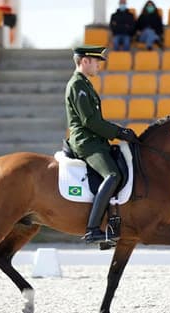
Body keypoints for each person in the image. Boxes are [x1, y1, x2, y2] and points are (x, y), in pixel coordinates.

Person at [65, 46, 139, 245]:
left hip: (96, 140)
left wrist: (117, 132)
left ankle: (112, 223)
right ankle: (93, 228)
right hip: (86, 142)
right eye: (96, 62)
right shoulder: (77, 85)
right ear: (85, 61)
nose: (99, 66)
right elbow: (90, 121)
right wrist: (119, 132)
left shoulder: (85, 84)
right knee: (112, 175)